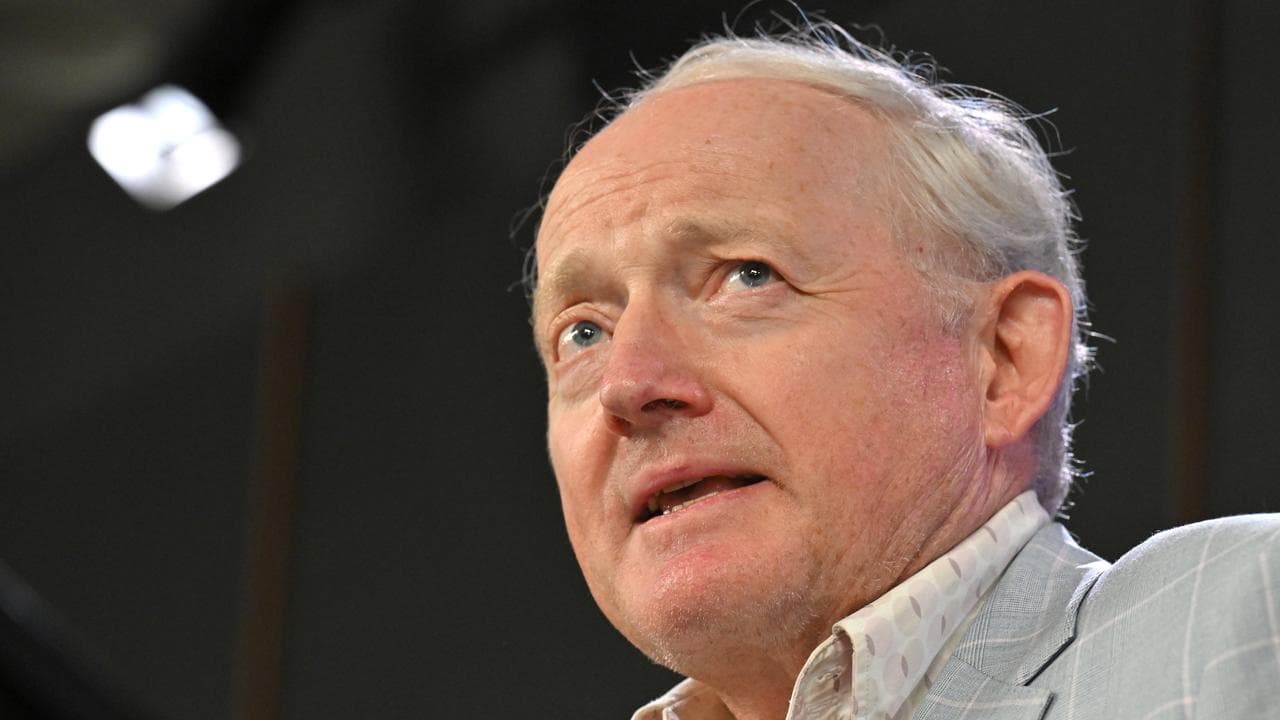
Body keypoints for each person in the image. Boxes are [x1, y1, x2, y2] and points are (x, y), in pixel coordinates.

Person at [527, 22, 1280, 720]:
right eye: (583, 331)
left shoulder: (1247, 610)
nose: (628, 384)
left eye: (748, 277)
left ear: (1004, 358)